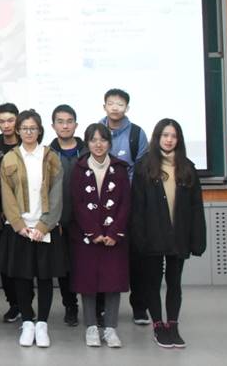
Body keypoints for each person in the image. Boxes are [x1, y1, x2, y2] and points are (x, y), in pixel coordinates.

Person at [131, 119, 206, 349]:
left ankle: (172, 325)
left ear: (178, 139)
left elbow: (196, 206)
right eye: (165, 135)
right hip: (152, 236)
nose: (169, 140)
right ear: (157, 137)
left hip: (178, 236)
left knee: (175, 283)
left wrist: (197, 239)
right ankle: (158, 326)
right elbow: (137, 208)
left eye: (173, 136)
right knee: (153, 283)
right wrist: (139, 238)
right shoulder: (144, 166)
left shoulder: (188, 167)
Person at [0, 110, 66, 348]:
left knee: (45, 277)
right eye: (24, 128)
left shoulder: (51, 157)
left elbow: (57, 194)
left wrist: (44, 226)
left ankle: (42, 324)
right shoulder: (9, 158)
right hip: (19, 229)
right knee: (22, 277)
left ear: (39, 130)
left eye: (33, 128)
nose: (28, 132)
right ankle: (27, 322)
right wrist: (19, 225)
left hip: (44, 228)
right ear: (18, 130)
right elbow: (7, 196)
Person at [69, 123, 130, 348]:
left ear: (109, 143)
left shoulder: (120, 168)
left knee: (113, 282)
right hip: (87, 237)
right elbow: (77, 203)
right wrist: (93, 232)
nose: (98, 144)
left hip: (115, 237)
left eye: (103, 140)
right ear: (87, 143)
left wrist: (114, 232)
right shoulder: (78, 168)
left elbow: (125, 204)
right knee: (88, 282)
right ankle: (91, 327)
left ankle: (111, 328)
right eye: (93, 140)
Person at [99, 88, 150, 325]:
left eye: (120, 104)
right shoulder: (96, 131)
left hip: (131, 205)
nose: (115, 107)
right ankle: (101, 307)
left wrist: (125, 195)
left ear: (127, 108)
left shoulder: (137, 134)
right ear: (104, 106)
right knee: (103, 257)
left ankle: (139, 307)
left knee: (136, 258)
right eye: (111, 103)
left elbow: (142, 170)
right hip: (101, 206)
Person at [0, 102, 23, 323]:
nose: (6, 125)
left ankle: (26, 303)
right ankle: (14, 304)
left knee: (24, 261)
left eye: (10, 120)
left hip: (26, 213)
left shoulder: (27, 142)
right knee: (5, 261)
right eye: (2, 121)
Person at [48, 104, 85, 327]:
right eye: (60, 122)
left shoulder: (88, 151)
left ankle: (97, 308)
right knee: (64, 268)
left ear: (76, 125)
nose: (65, 126)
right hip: (59, 221)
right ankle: (70, 306)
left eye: (69, 121)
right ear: (53, 126)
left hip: (86, 220)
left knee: (88, 264)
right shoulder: (47, 154)